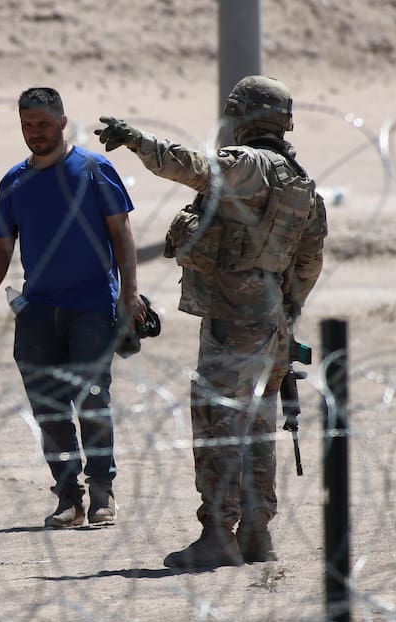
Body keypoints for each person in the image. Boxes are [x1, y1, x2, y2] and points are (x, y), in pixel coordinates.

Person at [96, 74, 328, 570]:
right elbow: (309, 263)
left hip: (232, 320)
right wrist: (285, 313)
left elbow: (196, 168)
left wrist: (137, 140)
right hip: (271, 324)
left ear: (244, 117)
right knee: (258, 426)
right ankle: (257, 533)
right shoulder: (301, 183)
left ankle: (219, 533)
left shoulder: (249, 165)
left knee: (218, 422)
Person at [0, 87, 144, 529]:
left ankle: (102, 492)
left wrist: (129, 293)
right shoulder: (14, 181)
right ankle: (69, 496)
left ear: (63, 122)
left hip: (91, 307)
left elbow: (122, 234)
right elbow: (0, 246)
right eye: (27, 125)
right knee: (48, 409)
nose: (35, 133)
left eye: (44, 124)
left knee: (92, 401)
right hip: (38, 311)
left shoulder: (93, 169)